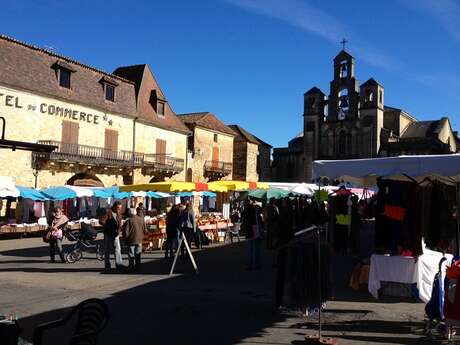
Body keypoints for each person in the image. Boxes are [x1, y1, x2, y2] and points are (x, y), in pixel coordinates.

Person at [100, 201, 124, 270]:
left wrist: (119, 230)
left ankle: (119, 264)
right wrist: (108, 226)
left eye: (120, 208)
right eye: (118, 208)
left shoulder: (119, 213)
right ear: (114, 207)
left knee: (118, 249)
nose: (119, 209)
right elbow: (101, 221)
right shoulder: (108, 212)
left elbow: (120, 222)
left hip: (116, 234)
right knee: (107, 250)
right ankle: (107, 265)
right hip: (108, 233)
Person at [242, 199, 263, 270]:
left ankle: (251, 264)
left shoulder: (247, 212)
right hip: (254, 230)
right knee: (255, 248)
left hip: (250, 231)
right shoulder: (254, 212)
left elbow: (246, 222)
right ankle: (256, 264)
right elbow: (258, 222)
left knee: (251, 249)